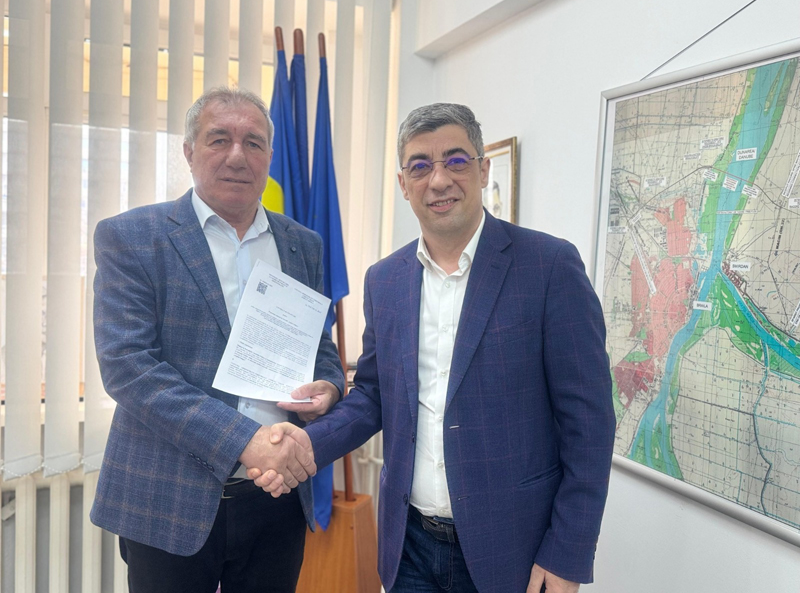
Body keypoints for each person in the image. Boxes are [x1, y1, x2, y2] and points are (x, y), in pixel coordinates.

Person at [259, 103, 616, 592]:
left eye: (456, 161)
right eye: (420, 166)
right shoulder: (384, 280)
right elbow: (373, 395)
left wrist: (567, 555)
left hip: (512, 548)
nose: (440, 180)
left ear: (483, 169)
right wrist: (307, 444)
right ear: (404, 184)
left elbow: (589, 425)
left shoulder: (548, 266)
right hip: (408, 546)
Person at [90, 86, 344, 593]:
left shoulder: (304, 245)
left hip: (275, 499)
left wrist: (329, 386)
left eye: (253, 142)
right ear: (189, 152)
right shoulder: (132, 236)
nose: (237, 156)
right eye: (219, 139)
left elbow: (319, 345)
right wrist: (245, 441)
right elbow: (128, 366)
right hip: (167, 500)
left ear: (269, 156)